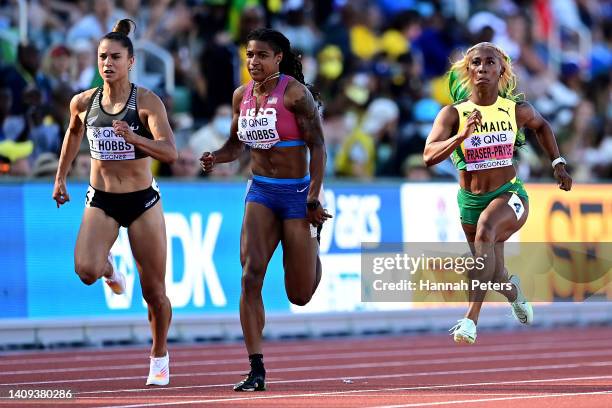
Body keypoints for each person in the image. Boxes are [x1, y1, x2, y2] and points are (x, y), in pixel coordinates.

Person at [200, 28, 331, 391]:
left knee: (299, 295)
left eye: (261, 55)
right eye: (249, 55)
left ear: (278, 58)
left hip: (297, 194)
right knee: (249, 274)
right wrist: (216, 157)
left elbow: (318, 147)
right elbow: (234, 145)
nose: (253, 62)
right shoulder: (241, 95)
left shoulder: (295, 94)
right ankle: (256, 368)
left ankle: (314, 239)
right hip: (260, 191)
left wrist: (313, 197)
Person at [52, 19, 177, 385]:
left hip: (142, 202)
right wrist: (60, 177)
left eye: (115, 57)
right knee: (86, 270)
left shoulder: (146, 102)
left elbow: (170, 152)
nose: (107, 63)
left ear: (131, 61)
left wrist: (135, 139)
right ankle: (110, 270)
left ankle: (159, 353)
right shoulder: (84, 102)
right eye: (102, 57)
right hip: (102, 199)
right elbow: (73, 133)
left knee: (154, 292)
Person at [423, 42, 572, 344]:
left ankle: (470, 320)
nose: (482, 69)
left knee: (486, 232)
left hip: (510, 195)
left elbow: (542, 126)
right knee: (490, 269)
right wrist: (461, 137)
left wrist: (557, 163)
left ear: (501, 68)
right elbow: (428, 155)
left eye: (490, 62)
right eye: (476, 63)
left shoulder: (515, 110)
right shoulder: (453, 114)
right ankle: (513, 291)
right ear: (468, 70)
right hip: (470, 200)